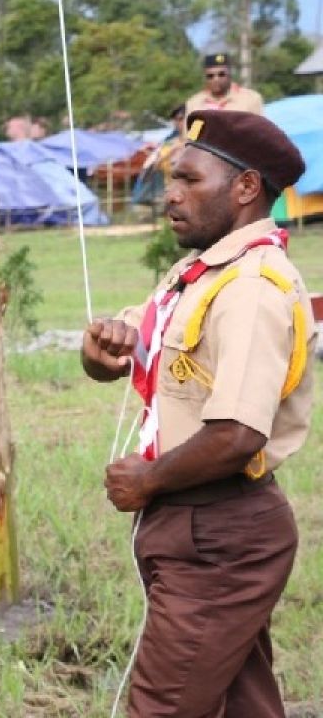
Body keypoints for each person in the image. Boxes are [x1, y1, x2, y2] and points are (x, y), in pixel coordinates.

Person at [81, 110, 313, 717]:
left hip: (218, 534)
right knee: (242, 702)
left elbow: (237, 435)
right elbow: (136, 347)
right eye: (170, 180)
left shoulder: (253, 288)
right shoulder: (200, 272)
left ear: (245, 188)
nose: (171, 196)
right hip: (202, 525)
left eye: (189, 180)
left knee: (163, 705)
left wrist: (148, 479)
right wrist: (102, 349)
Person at [184, 53, 264, 115]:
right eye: (210, 76)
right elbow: (192, 135)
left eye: (221, 74)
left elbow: (260, 132)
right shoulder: (195, 104)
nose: (216, 79)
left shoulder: (250, 99)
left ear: (230, 74)